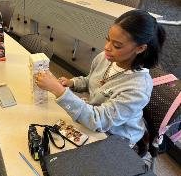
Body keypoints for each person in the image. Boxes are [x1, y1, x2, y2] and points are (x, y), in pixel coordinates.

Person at [36, 10, 166, 145]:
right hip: (93, 121)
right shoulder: (106, 58)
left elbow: (99, 121)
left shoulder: (138, 88)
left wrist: (59, 91)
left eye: (117, 45)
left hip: (116, 138)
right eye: (108, 39)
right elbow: (91, 80)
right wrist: (72, 83)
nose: (107, 47)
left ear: (140, 49)